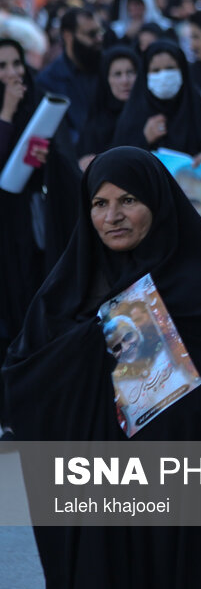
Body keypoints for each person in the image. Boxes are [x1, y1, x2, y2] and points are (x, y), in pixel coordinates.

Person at [2, 147, 201, 589]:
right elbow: (22, 379)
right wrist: (89, 347)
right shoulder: (68, 290)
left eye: (128, 201)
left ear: (158, 203)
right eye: (99, 204)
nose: (113, 216)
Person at [0, 38, 79, 442]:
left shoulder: (38, 110)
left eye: (17, 64)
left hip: (34, 235)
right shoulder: (10, 112)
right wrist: (6, 114)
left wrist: (47, 163)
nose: (13, 73)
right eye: (3, 66)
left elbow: (60, 167)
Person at [112, 40, 201, 173]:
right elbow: (118, 166)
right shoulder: (134, 112)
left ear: (183, 70)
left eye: (170, 68)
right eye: (156, 70)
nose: (163, 76)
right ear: (145, 75)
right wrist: (143, 140)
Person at [35, 8, 103, 147]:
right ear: (68, 36)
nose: (99, 39)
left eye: (100, 32)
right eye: (91, 34)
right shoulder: (49, 80)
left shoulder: (107, 67)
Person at [78, 46, 139, 169]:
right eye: (117, 74)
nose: (125, 81)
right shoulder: (95, 120)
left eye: (130, 72)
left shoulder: (147, 116)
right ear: (106, 79)